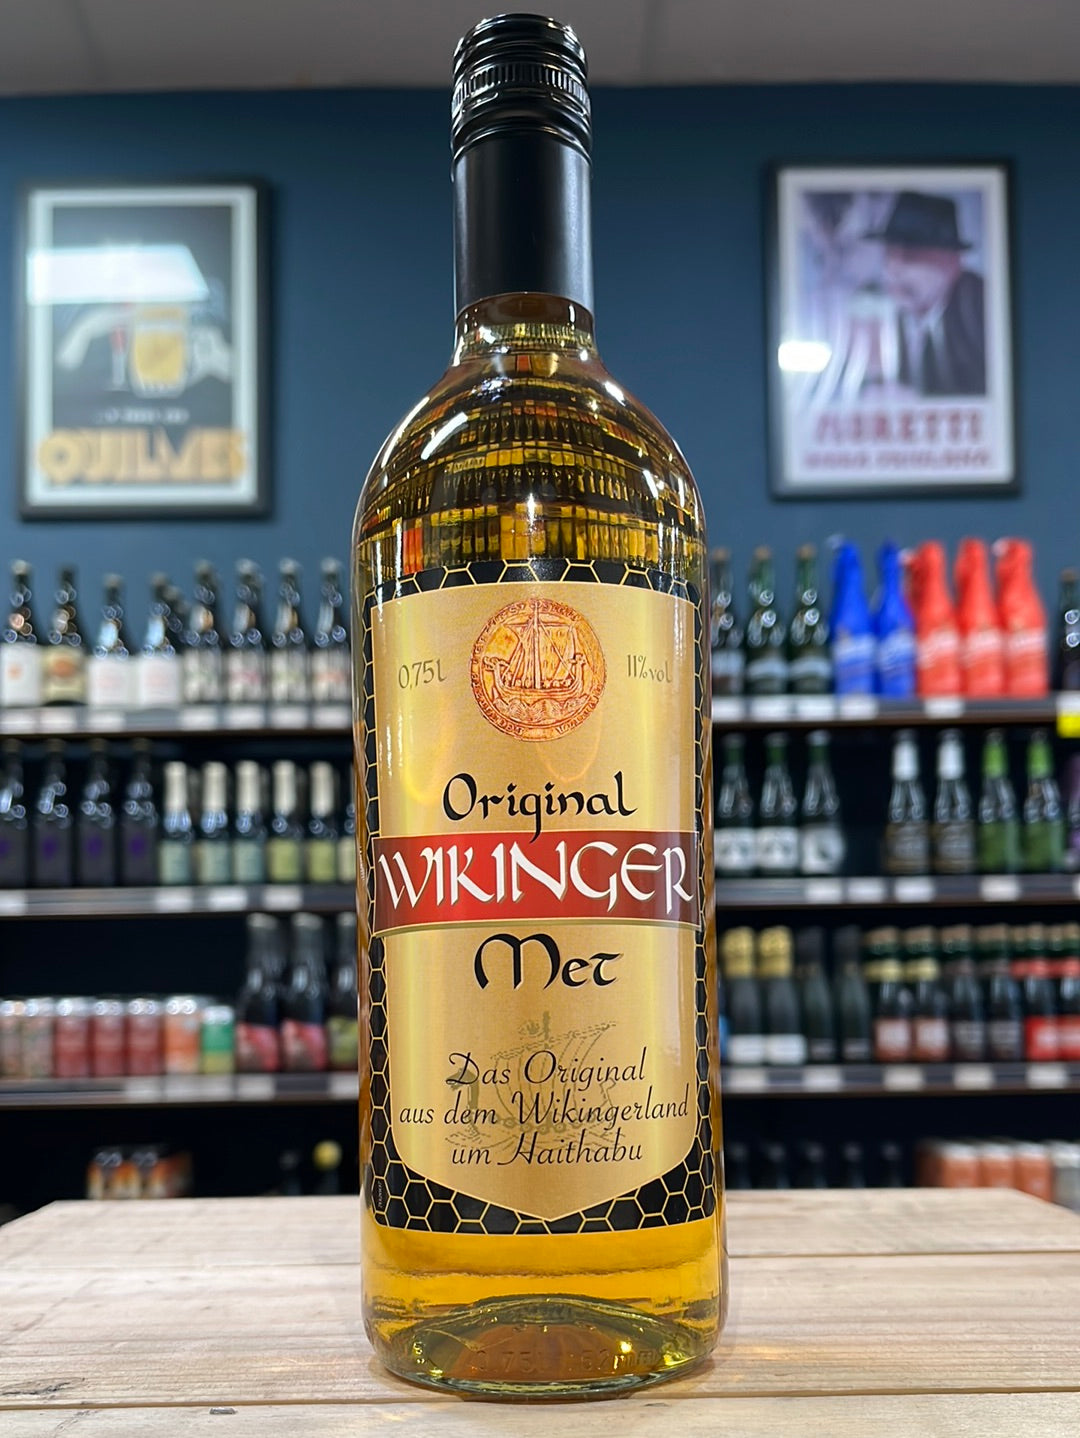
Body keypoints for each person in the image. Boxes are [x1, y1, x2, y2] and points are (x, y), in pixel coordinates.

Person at [867, 191, 986, 397]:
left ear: (953, 262)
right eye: (889, 254)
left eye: (911, 256)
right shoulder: (876, 314)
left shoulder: (980, 309)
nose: (892, 269)